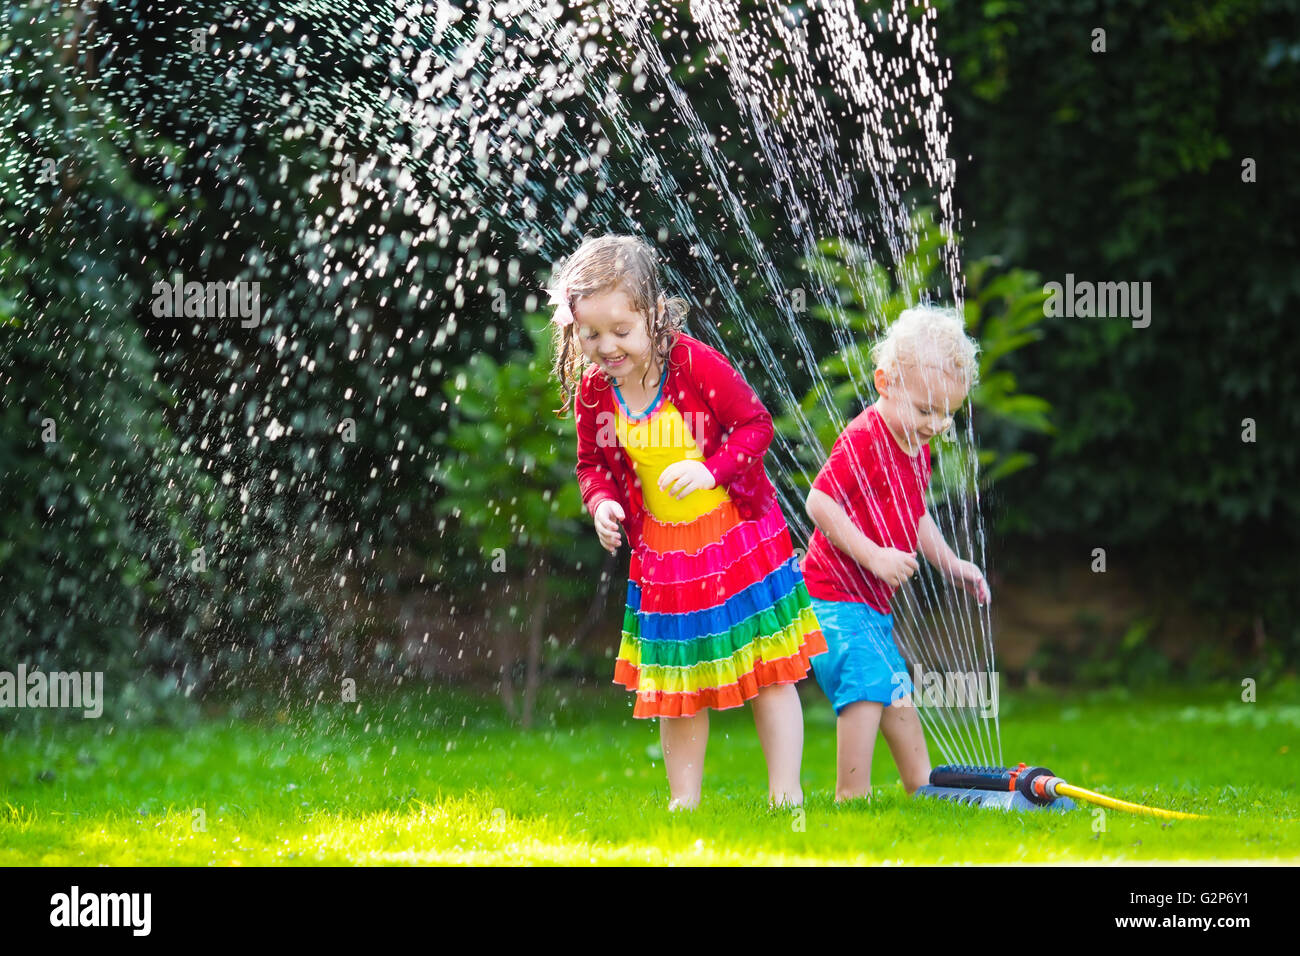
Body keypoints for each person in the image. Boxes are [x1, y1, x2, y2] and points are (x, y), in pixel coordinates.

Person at [550, 233, 827, 810]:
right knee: (676, 683)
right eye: (590, 334)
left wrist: (712, 472)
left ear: (653, 315)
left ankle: (785, 794)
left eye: (621, 331)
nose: (606, 347)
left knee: (769, 666)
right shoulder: (596, 394)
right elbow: (591, 464)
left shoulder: (693, 363)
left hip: (738, 535)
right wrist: (602, 504)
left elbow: (756, 426)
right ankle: (684, 802)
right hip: (668, 557)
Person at [800, 305, 991, 802]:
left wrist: (950, 563)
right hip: (832, 598)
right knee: (865, 685)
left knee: (898, 695)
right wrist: (874, 556)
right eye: (926, 410)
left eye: (947, 413)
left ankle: (922, 785)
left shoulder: (917, 447)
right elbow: (818, 501)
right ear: (885, 383)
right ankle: (851, 795)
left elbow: (915, 514)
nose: (936, 423)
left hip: (871, 606)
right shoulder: (865, 438)